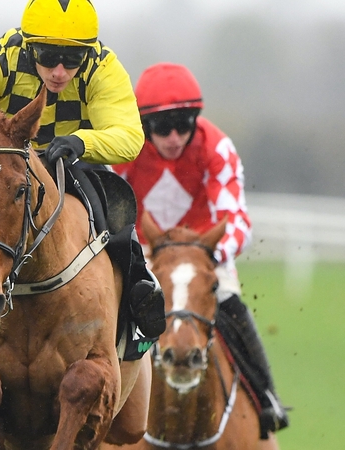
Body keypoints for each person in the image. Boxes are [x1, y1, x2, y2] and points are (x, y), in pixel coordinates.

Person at [0, 0, 166, 343]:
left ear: (87, 54)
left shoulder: (103, 65)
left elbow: (130, 137)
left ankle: (137, 295)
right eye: (47, 55)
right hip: (5, 168)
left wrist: (80, 142)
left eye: (72, 59)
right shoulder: (0, 59)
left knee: (119, 219)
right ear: (29, 48)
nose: (60, 71)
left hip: (74, 162)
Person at [113, 62, 290, 438]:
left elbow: (237, 220)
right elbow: (108, 210)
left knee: (231, 304)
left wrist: (207, 254)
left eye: (184, 124)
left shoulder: (216, 147)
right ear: (145, 125)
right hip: (142, 254)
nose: (175, 136)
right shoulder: (125, 146)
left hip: (203, 258)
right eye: (163, 127)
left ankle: (266, 397)